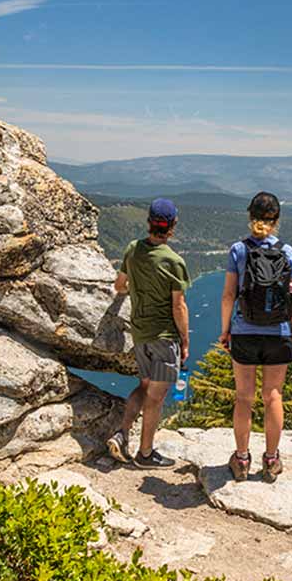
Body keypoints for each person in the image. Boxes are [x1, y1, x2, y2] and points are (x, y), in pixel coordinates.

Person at [220, 191, 292, 483]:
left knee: (244, 397)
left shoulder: (238, 250)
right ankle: (271, 460)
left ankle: (241, 459)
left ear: (250, 216)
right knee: (273, 396)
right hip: (278, 333)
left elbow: (229, 295)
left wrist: (226, 330)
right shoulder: (289, 252)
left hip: (244, 332)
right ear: (277, 219)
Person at [107, 198, 190, 469]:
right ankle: (145, 454)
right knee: (156, 397)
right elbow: (178, 305)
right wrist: (185, 341)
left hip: (140, 334)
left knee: (143, 388)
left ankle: (122, 433)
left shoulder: (133, 250)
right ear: (172, 227)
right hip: (164, 337)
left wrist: (136, 289)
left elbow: (120, 286)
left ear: (149, 223)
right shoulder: (174, 262)